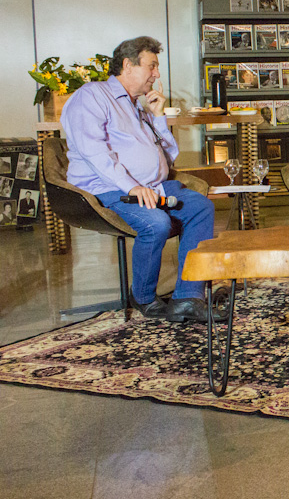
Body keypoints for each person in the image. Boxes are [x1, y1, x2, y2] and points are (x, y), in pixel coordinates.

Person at [62, 36, 220, 323]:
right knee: (156, 223)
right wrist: (132, 187)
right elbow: (94, 153)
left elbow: (169, 157)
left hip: (152, 187)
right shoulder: (92, 96)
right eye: (152, 66)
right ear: (128, 65)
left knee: (201, 207)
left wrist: (158, 117)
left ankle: (188, 297)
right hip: (108, 189)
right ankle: (143, 296)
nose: (157, 74)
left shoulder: (137, 106)